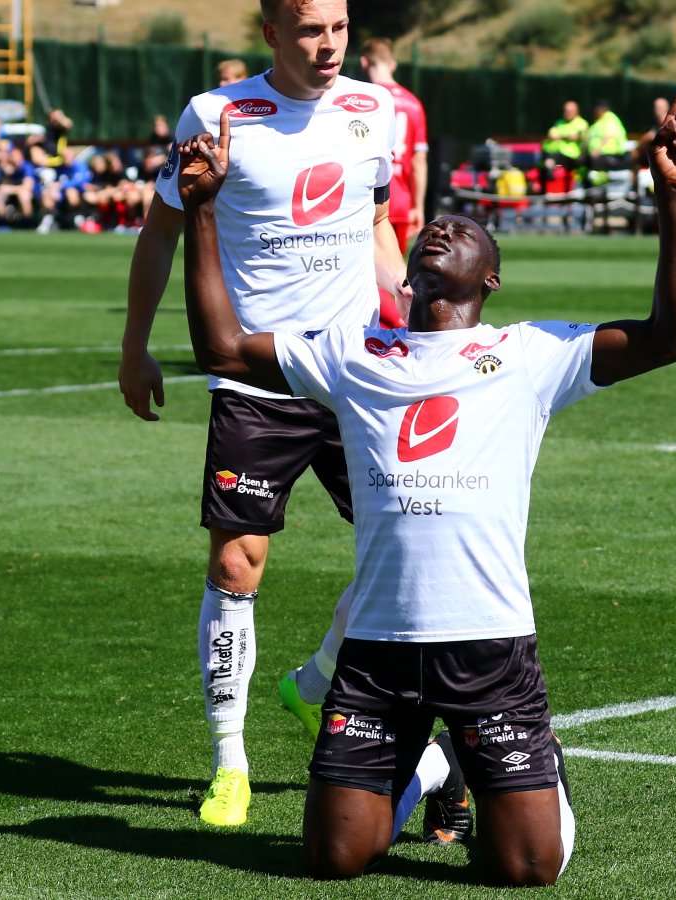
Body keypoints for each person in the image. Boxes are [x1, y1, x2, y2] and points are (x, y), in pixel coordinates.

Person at [175, 88, 676, 885]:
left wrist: (673, 199)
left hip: (490, 646)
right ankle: (428, 767)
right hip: (377, 655)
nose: (442, 228)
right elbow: (220, 347)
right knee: (333, 859)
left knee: (525, 868)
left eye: (466, 231)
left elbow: (674, 337)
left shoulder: (530, 354)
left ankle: (522, 762)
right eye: (433, 225)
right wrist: (202, 211)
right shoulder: (352, 353)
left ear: (491, 278)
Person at [117, 0, 411, 829]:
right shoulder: (217, 114)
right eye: (311, 29)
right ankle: (230, 762)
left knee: (405, 551)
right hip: (255, 378)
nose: (328, 45)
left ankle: (313, 684)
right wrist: (135, 346)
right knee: (236, 567)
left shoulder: (374, 108)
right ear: (272, 33)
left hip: (356, 376)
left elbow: (377, 226)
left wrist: (414, 308)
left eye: (339, 28)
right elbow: (161, 233)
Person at [360, 38, 428, 252]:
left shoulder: (361, 101)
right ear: (393, 65)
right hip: (400, 202)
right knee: (394, 269)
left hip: (366, 199)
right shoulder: (414, 103)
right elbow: (419, 161)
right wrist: (417, 206)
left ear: (364, 62)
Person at [584, 98, 629, 171]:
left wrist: (597, 150)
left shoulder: (610, 118)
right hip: (600, 155)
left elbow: (608, 136)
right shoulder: (599, 121)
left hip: (610, 155)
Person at [541, 100, 586, 173]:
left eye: (569, 111)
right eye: (565, 110)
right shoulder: (559, 122)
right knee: (545, 160)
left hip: (571, 157)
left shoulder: (581, 123)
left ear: (576, 112)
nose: (567, 113)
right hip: (553, 153)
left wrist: (559, 137)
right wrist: (566, 137)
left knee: (551, 161)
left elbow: (575, 136)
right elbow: (551, 135)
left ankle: (550, 175)